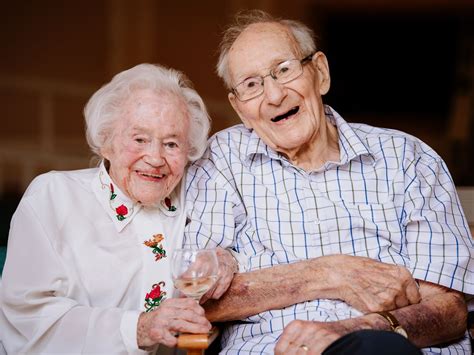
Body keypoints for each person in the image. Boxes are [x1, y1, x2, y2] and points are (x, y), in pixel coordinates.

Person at [184, 10, 474, 354]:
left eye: (284, 70)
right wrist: (328, 273)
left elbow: (449, 310)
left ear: (320, 73)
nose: (274, 95)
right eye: (251, 85)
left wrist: (362, 328)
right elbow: (198, 297)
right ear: (239, 107)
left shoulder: (408, 159)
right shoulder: (221, 162)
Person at [0, 63, 234, 354]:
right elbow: (27, 319)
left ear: (188, 153)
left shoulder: (197, 203)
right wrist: (139, 328)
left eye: (172, 144)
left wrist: (229, 260)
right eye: (139, 139)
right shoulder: (53, 198)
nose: (155, 157)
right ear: (105, 142)